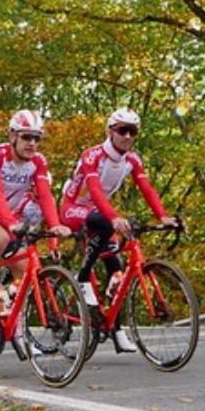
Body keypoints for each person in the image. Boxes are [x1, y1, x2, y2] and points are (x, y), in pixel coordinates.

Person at [60, 108, 179, 350]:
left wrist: (163, 216)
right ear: (110, 131)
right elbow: (93, 190)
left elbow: (146, 188)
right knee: (105, 226)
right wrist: (113, 217)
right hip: (75, 208)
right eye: (122, 130)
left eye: (132, 131)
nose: (127, 136)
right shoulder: (92, 155)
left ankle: (115, 327)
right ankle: (82, 279)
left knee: (117, 269)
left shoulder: (132, 160)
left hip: (100, 211)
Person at [0, 109, 72, 322]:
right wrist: (11, 223)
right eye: (26, 136)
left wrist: (55, 225)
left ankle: (20, 333)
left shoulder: (38, 162)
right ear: (12, 136)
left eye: (36, 138)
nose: (32, 143)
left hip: (5, 220)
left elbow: (45, 195)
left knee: (27, 271)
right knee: (0, 239)